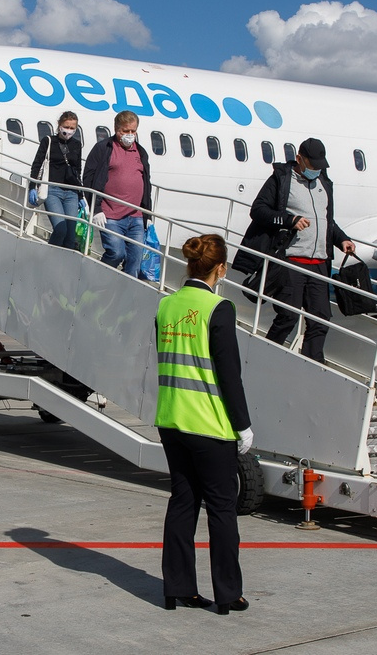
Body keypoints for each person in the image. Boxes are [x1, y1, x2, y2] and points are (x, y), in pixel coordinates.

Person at [156, 234, 253, 615]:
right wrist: (243, 425)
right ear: (220, 268)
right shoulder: (219, 308)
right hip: (209, 425)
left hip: (171, 420)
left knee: (182, 503)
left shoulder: (165, 306)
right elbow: (230, 375)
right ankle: (228, 593)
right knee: (221, 510)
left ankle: (177, 588)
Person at [238, 137, 355, 363]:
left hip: (319, 263)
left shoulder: (323, 182)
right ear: (299, 159)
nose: (316, 170)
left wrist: (342, 240)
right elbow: (258, 210)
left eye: (320, 166)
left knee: (321, 319)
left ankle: (313, 364)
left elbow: (326, 220)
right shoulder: (281, 180)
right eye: (312, 166)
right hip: (291, 260)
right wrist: (289, 220)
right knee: (288, 317)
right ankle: (266, 358)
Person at [82, 110, 152, 275]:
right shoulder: (104, 148)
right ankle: (97, 278)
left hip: (136, 216)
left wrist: (147, 215)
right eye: (125, 131)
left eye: (132, 131)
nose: (129, 135)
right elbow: (89, 177)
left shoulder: (140, 152)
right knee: (116, 252)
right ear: (116, 129)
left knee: (135, 259)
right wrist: (96, 208)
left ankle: (125, 295)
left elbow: (146, 183)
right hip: (110, 214)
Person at [28, 111, 84, 249]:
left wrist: (81, 195)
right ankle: (49, 258)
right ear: (59, 125)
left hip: (71, 193)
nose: (69, 131)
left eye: (72, 128)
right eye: (66, 126)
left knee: (71, 236)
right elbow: (37, 164)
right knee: (60, 229)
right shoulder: (48, 141)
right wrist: (32, 187)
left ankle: (63, 267)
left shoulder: (76, 145)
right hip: (52, 190)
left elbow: (78, 170)